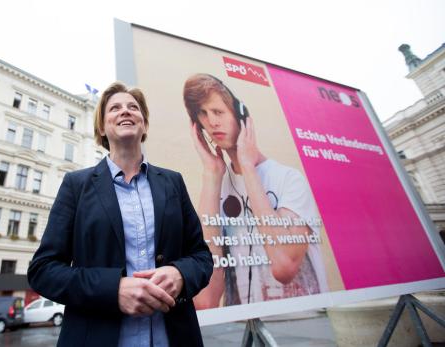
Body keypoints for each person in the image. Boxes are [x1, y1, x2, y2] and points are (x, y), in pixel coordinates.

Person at [28, 81, 213, 347]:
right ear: (102, 127)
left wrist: (180, 274)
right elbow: (43, 271)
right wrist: (112, 290)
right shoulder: (76, 185)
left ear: (144, 124)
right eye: (114, 108)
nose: (125, 111)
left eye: (133, 107)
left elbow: (202, 257)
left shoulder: (172, 183)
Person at [183, 74, 328, 309]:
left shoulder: (289, 180)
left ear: (240, 115)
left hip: (306, 325)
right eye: (203, 114)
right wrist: (211, 175)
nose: (211, 122)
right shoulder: (215, 191)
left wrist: (248, 167)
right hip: (246, 333)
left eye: (218, 112)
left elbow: (284, 266)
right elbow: (205, 300)